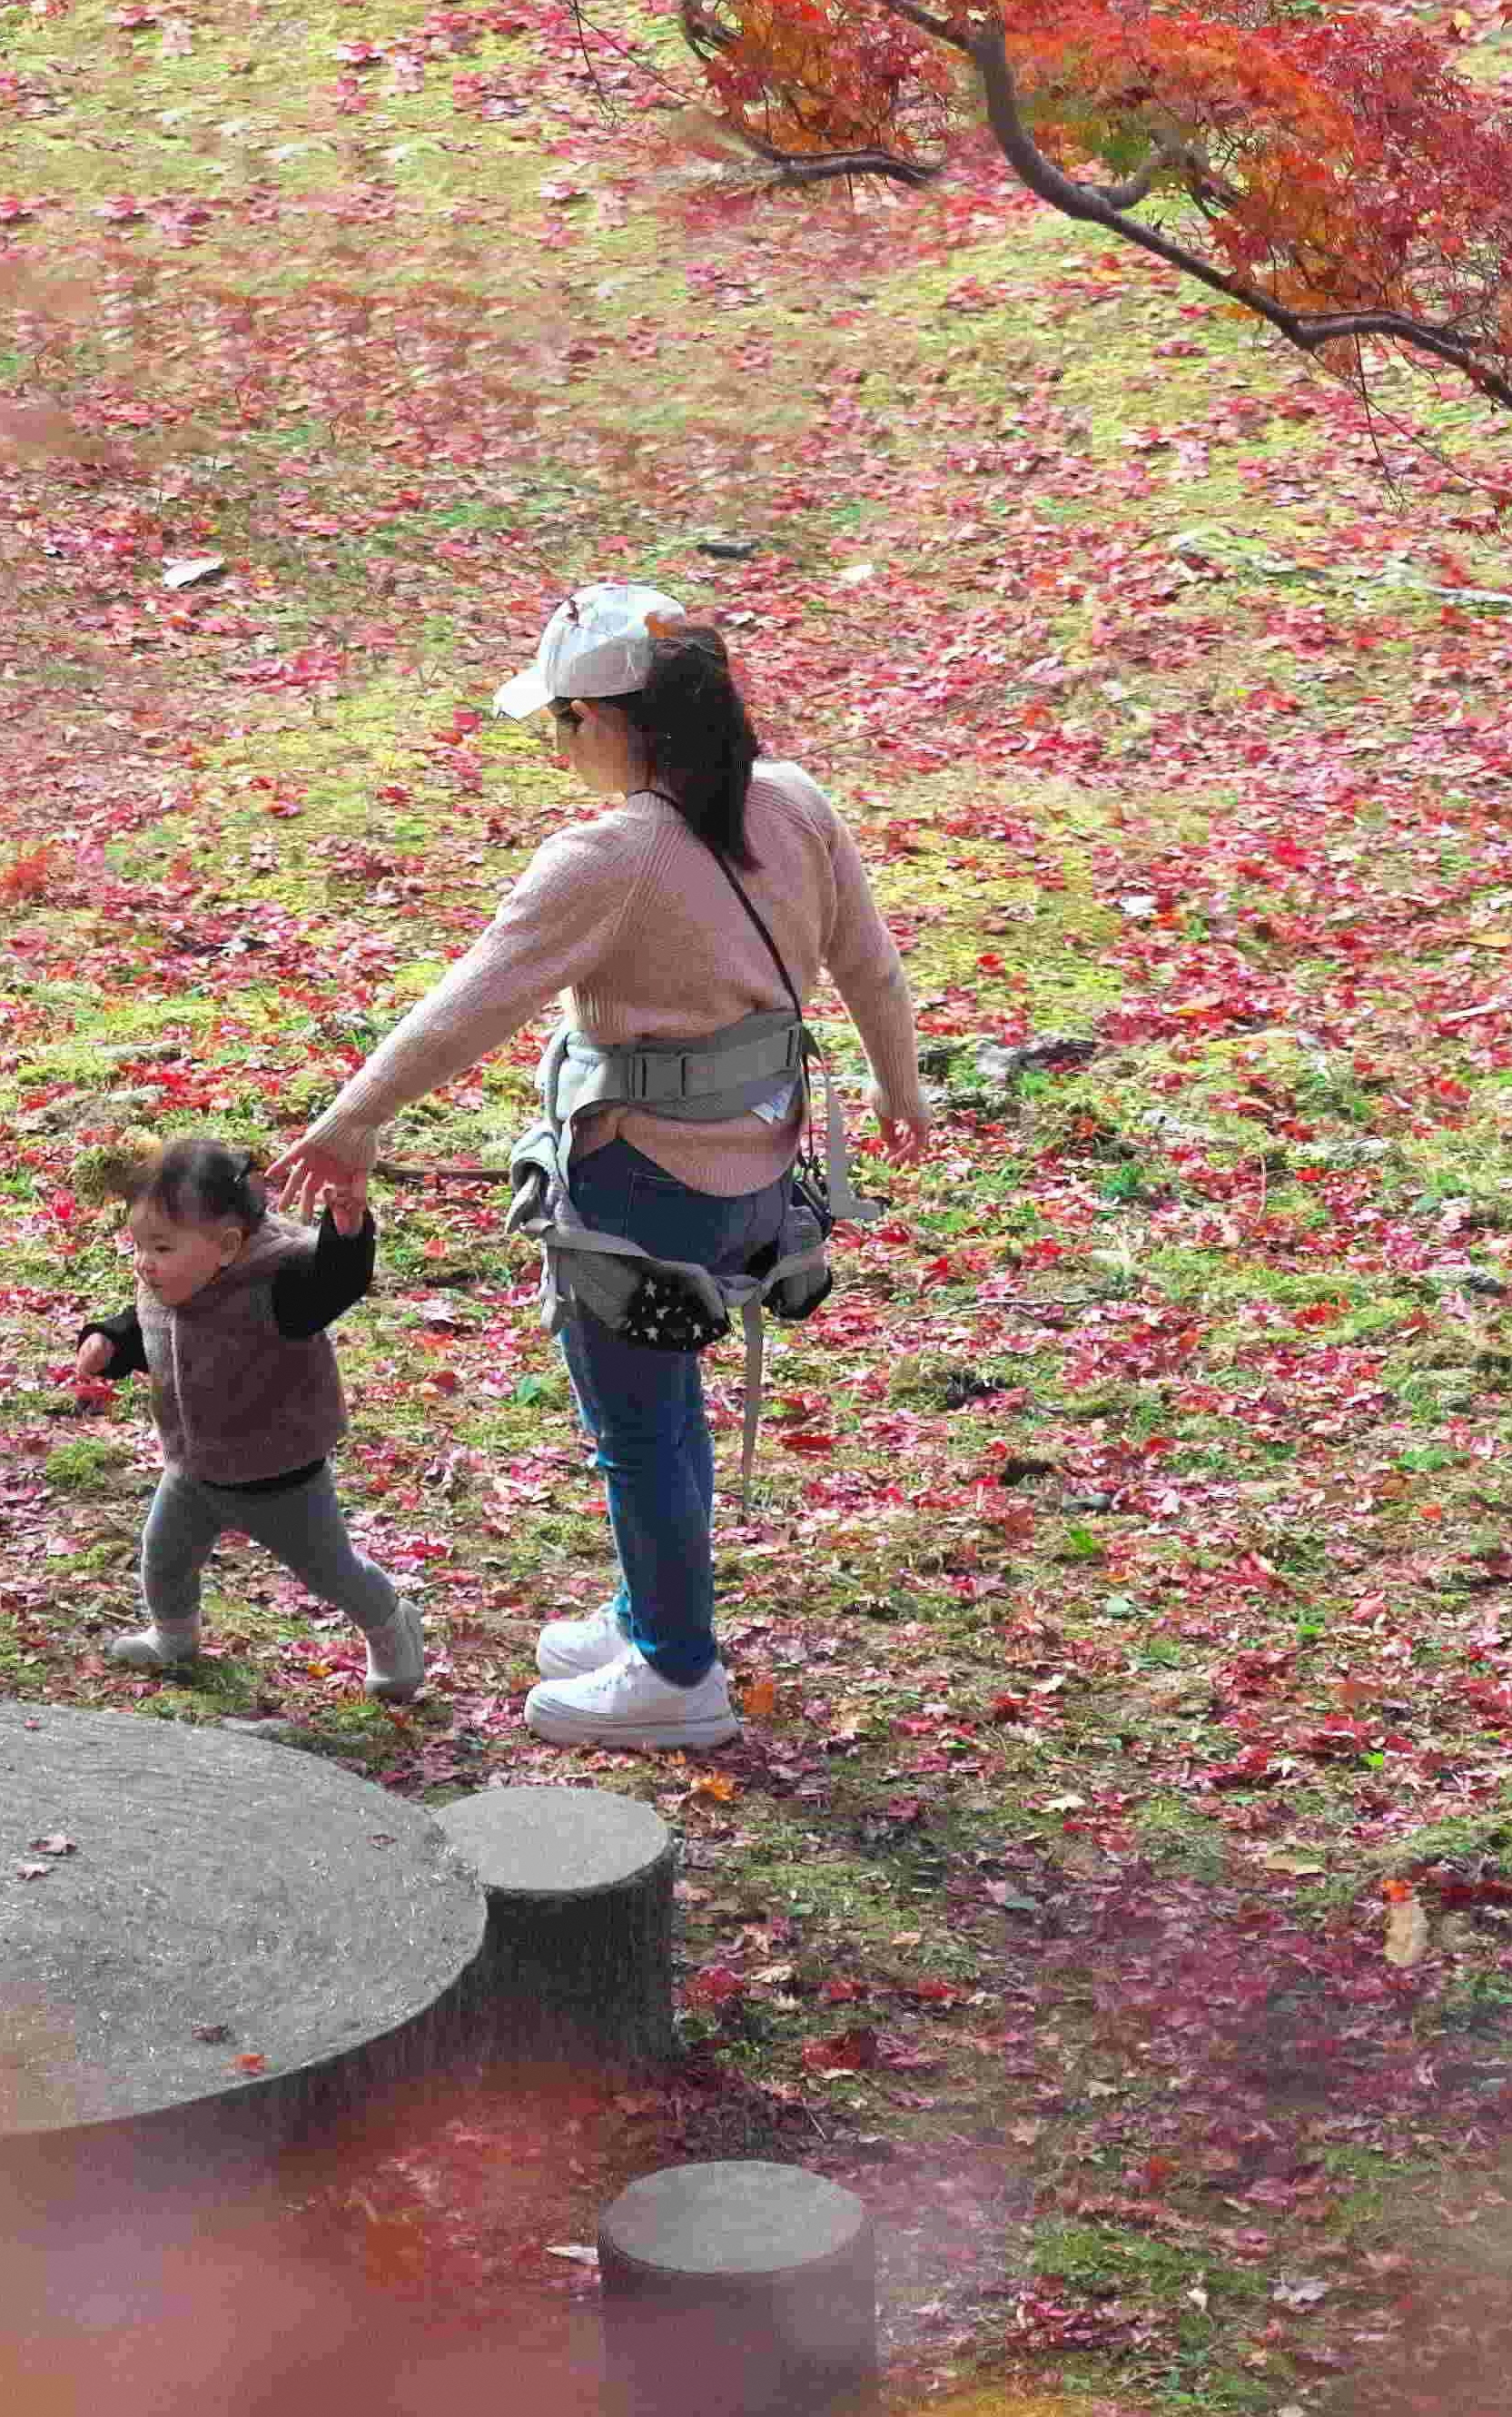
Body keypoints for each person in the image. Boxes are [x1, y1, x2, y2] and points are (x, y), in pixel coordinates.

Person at [275, 582, 924, 1757]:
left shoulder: (612, 855)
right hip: (759, 1180)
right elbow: (870, 968)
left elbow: (469, 1003)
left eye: (563, 723)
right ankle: (651, 1614)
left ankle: (677, 1669)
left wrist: (353, 1118)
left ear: (618, 725)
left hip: (640, 1191)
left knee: (643, 1430)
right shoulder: (795, 802)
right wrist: (899, 1085)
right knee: (668, 1419)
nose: (559, 748)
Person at [74, 1133, 432, 1704]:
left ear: (227, 1244)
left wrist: (347, 1231)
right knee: (164, 1556)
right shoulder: (171, 1279)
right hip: (194, 1466)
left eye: (161, 1248)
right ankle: (173, 1638)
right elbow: (151, 1330)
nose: (144, 1264)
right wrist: (111, 1342)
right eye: (137, 1245)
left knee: (329, 1572)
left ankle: (393, 1627)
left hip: (279, 1475)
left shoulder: (281, 1283)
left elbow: (333, 1284)